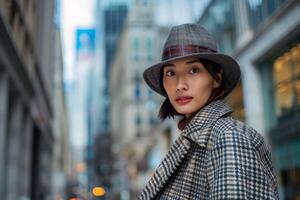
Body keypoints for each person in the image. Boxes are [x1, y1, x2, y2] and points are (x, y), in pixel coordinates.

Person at [138, 24, 279, 200]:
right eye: (171, 73)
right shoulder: (195, 140)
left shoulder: (229, 137)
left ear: (216, 78)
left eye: (194, 70)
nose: (180, 84)